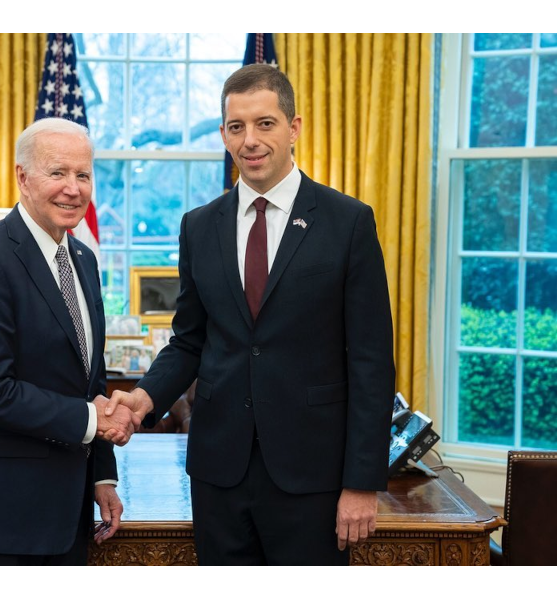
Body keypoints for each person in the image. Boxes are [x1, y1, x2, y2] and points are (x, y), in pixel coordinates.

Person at [105, 64, 395, 566]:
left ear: (293, 128)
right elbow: (189, 340)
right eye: (237, 127)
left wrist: (362, 482)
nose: (250, 140)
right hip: (219, 473)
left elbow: (371, 362)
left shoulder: (348, 222)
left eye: (265, 123)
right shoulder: (198, 227)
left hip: (313, 475)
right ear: (223, 134)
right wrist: (144, 398)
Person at [0, 118, 140, 566]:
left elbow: (89, 380)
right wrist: (93, 420)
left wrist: (102, 477)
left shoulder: (83, 259)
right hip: (3, 525)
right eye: (58, 172)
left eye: (83, 174)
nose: (73, 188)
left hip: (69, 518)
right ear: (23, 177)